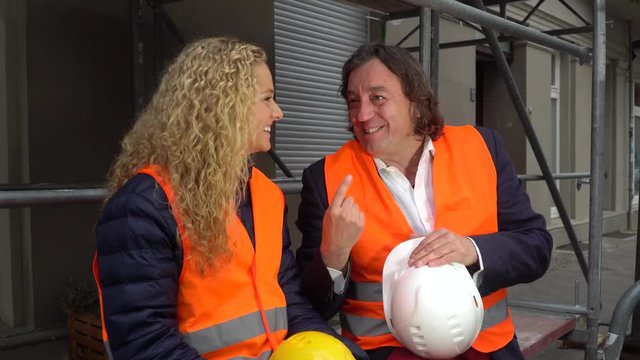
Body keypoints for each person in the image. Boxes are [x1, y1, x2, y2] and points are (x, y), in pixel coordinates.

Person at [93, 36, 367, 360]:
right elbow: (144, 344)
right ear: (224, 106)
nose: (278, 112)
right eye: (267, 99)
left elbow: (290, 305)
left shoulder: (266, 195)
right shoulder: (143, 206)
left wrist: (346, 354)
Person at [296, 42, 553, 360]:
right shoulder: (325, 179)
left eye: (378, 98)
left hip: (484, 347)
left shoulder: (482, 148)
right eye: (353, 101)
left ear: (416, 102)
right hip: (386, 352)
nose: (362, 115)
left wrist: (471, 250)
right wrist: (332, 258)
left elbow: (536, 248)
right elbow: (310, 305)